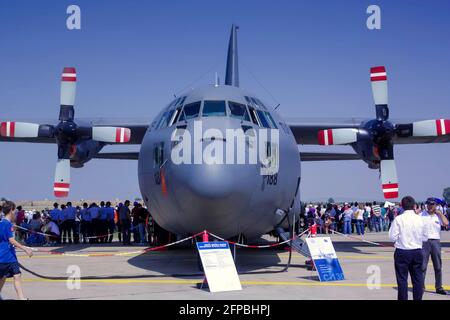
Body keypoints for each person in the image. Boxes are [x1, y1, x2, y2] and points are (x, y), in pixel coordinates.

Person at [389, 196, 426, 300]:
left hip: (402, 251)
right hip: (417, 251)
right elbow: (425, 237)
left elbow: (392, 237)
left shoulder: (399, 219)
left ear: (402, 206)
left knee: (402, 280)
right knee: (418, 279)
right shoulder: (420, 219)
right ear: (414, 206)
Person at [0, 201, 33, 300]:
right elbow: (11, 240)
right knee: (3, 278)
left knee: (16, 275)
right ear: (11, 210)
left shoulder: (3, 223)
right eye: (15, 211)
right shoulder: (6, 224)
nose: (16, 213)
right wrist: (25, 248)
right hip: (6, 256)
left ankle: (21, 298)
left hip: (9, 256)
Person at [421, 198, 449, 295]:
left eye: (432, 204)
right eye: (428, 204)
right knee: (422, 266)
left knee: (438, 266)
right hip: (424, 242)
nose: (430, 206)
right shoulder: (421, 215)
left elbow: (446, 223)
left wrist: (440, 213)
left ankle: (439, 287)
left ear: (436, 205)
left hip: (436, 242)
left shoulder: (438, 216)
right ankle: (421, 287)